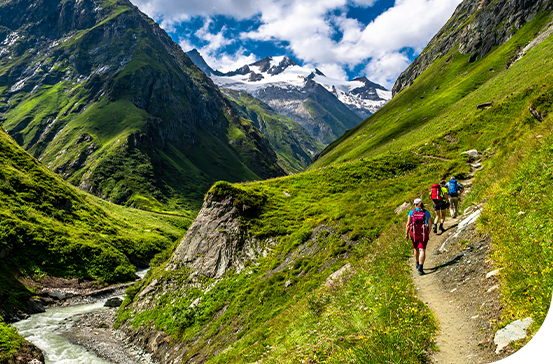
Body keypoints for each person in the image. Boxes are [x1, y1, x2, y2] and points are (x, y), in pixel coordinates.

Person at [405, 198, 431, 275]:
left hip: (414, 233)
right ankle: (420, 267)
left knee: (415, 248)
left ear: (415, 204)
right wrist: (428, 232)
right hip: (423, 232)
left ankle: (417, 263)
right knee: (422, 250)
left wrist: (406, 234)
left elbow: (408, 223)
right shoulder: (426, 212)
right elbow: (429, 224)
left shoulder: (411, 212)